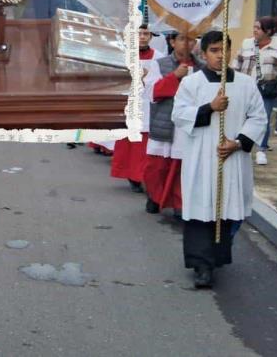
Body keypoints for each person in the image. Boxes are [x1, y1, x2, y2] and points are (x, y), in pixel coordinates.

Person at [172, 31, 267, 288]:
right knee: (201, 210)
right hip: (202, 157)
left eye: (223, 49)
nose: (219, 55)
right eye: (213, 50)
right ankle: (201, 265)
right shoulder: (192, 84)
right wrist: (209, 108)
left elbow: (258, 117)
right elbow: (179, 115)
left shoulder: (246, 84)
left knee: (225, 211)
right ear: (203, 54)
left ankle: (217, 258)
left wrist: (238, 142)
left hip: (231, 157)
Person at [142, 32, 202, 215]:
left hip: (187, 126)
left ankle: (179, 204)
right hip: (164, 121)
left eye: (191, 39)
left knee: (182, 168)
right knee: (157, 167)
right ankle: (154, 196)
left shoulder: (202, 68)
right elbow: (152, 93)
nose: (186, 44)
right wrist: (174, 76)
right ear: (172, 42)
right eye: (182, 39)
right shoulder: (159, 64)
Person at [231, 16, 277, 165]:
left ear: (269, 31)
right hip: (245, 89)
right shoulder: (247, 44)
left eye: (258, 28)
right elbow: (236, 64)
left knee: (263, 120)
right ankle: (239, 144)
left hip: (265, 91)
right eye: (254, 27)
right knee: (241, 118)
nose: (254, 30)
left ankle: (261, 149)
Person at [111, 24, 166, 192]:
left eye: (146, 33)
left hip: (149, 105)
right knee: (130, 143)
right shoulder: (124, 55)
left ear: (151, 36)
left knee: (145, 144)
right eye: (139, 33)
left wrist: (146, 79)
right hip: (130, 102)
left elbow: (161, 82)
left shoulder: (159, 57)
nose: (142, 37)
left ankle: (142, 174)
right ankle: (131, 174)